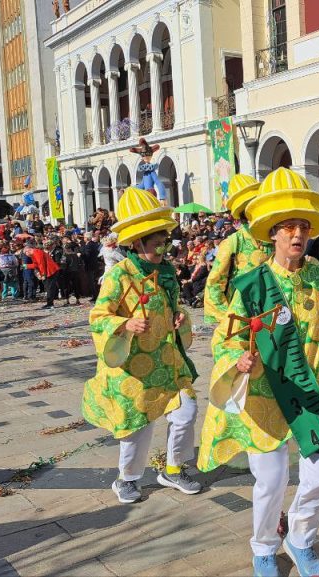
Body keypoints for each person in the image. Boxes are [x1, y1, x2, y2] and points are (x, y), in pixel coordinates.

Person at [195, 168, 319, 577]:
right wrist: (238, 361)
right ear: (272, 233)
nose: (297, 235)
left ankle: (300, 540)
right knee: (271, 480)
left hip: (310, 395)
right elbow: (226, 337)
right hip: (265, 397)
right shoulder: (251, 285)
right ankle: (263, 548)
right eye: (288, 227)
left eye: (303, 226)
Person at [83, 187, 202, 505]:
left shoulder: (167, 274)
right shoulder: (120, 276)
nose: (162, 248)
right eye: (155, 243)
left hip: (168, 362)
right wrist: (126, 324)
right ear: (138, 243)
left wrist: (180, 317)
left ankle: (174, 469)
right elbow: (98, 315)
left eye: (164, 240)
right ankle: (127, 479)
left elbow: (175, 308)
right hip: (133, 368)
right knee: (140, 427)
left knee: (187, 411)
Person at [204, 175, 275, 325]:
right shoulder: (232, 243)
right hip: (244, 323)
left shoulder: (275, 238)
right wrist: (232, 322)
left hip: (275, 318)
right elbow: (214, 286)